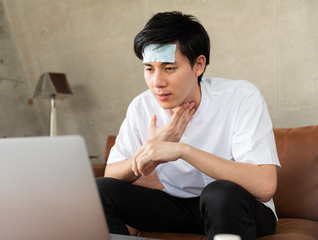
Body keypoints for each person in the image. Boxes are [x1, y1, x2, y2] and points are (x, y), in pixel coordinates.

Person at [97, 11, 280, 240]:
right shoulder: (141, 106)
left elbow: (264, 186)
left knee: (219, 193)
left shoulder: (241, 97)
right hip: (179, 207)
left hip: (236, 207)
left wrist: (182, 151)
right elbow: (110, 174)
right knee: (99, 191)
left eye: (169, 68)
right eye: (149, 69)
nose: (157, 82)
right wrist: (151, 150)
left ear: (199, 65)